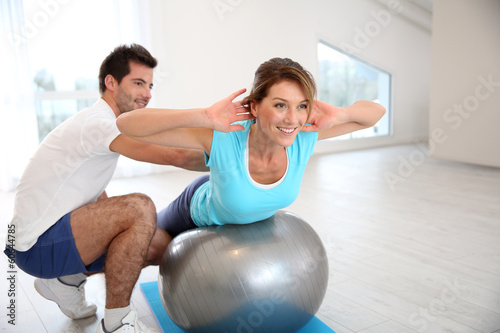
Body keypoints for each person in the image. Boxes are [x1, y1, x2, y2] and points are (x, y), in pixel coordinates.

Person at [4, 44, 209, 333]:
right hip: (33, 246)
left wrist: (121, 231)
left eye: (150, 85)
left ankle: (65, 281)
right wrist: (237, 159)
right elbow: (174, 154)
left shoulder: (103, 123)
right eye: (138, 83)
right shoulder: (99, 124)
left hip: (50, 236)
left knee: (156, 244)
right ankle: (119, 322)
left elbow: (93, 192)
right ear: (111, 82)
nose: (147, 93)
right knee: (140, 207)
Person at [117, 57, 386, 262]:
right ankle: (81, 272)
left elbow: (376, 112)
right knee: (147, 250)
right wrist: (202, 116)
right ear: (255, 106)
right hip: (196, 210)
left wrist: (339, 114)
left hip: (231, 216)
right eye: (280, 105)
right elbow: (127, 124)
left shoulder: (304, 135)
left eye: (302, 105)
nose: (292, 118)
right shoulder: (224, 136)